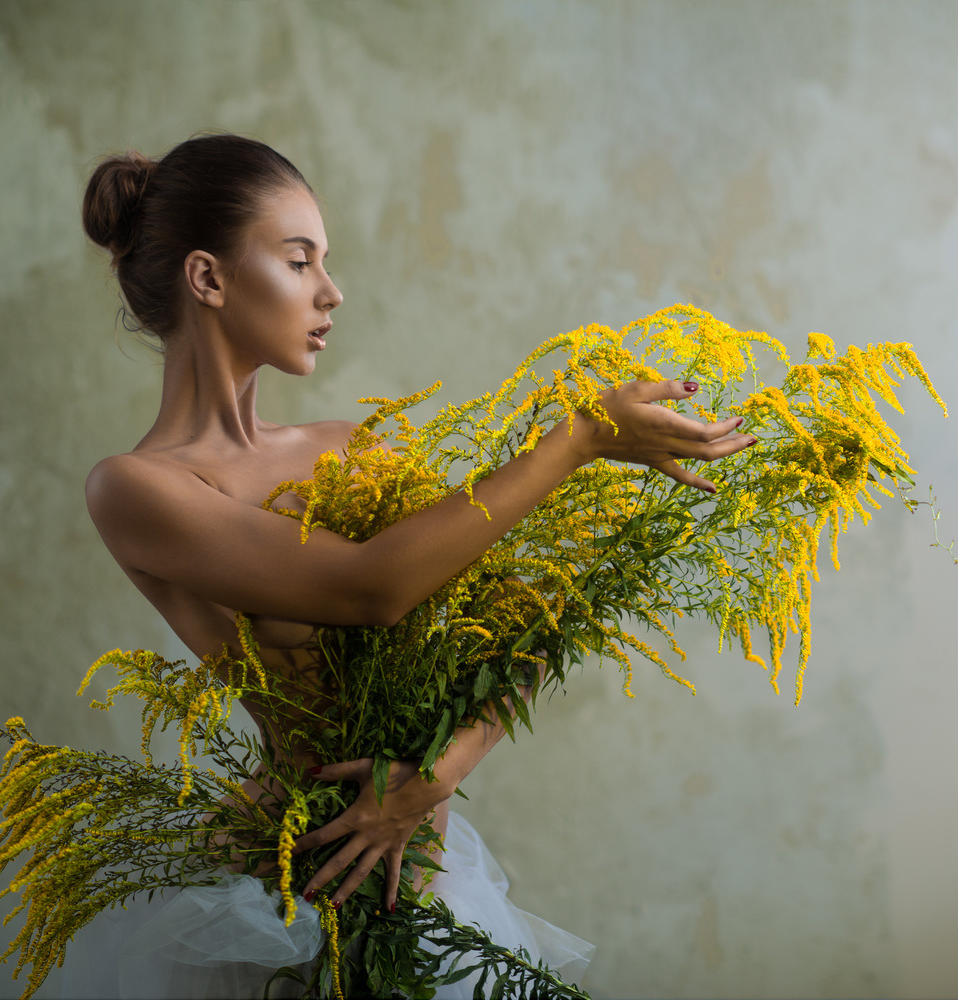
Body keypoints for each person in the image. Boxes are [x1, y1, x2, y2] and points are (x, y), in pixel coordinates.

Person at [69, 132, 754, 998]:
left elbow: (525, 626)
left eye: (326, 261)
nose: (331, 290)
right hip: (283, 889)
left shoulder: (353, 450)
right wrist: (576, 439)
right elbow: (371, 589)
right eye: (299, 259)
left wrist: (435, 777)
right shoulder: (137, 489)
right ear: (207, 278)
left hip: (416, 873)